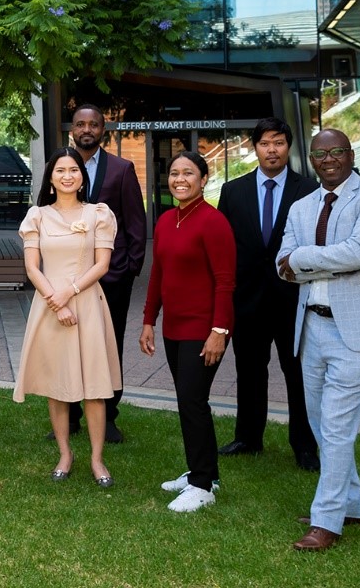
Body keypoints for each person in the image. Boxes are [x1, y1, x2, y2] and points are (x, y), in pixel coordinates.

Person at [278, 128, 360, 552]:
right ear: (311, 160)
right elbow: (281, 264)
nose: (328, 159)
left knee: (335, 425)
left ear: (351, 154)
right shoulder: (300, 206)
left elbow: (359, 254)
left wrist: (303, 260)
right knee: (319, 422)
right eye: (320, 154)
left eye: (336, 151)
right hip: (311, 326)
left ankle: (326, 519)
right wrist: (307, 262)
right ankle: (351, 504)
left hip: (358, 330)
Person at [11, 148, 121, 487]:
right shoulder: (37, 217)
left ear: (82, 176)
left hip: (86, 302)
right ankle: (65, 453)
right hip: (50, 306)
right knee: (55, 386)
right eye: (61, 170)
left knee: (94, 387)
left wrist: (69, 292)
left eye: (74, 169)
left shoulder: (99, 214)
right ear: (51, 177)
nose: (68, 175)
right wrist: (56, 302)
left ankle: (97, 459)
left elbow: (102, 265)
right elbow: (32, 267)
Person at [216, 117, 320, 471]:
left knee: (298, 374)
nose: (271, 149)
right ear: (254, 147)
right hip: (246, 300)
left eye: (278, 142)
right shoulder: (233, 191)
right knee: (249, 371)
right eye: (264, 143)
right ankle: (248, 437)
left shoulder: (308, 190)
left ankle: (304, 445)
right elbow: (224, 248)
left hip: (293, 298)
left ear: (288, 147)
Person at [139, 151, 236, 513]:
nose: (180, 179)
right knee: (187, 401)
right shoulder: (165, 220)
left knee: (193, 401)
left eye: (189, 173)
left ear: (204, 178)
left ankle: (203, 484)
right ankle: (202, 471)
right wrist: (149, 320)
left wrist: (220, 330)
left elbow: (226, 282)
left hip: (204, 328)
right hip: (173, 328)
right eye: (175, 173)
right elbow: (158, 276)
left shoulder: (214, 222)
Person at [66, 103, 146, 443]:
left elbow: (135, 224)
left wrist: (129, 269)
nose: (87, 129)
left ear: (103, 130)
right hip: (67, 280)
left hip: (111, 278)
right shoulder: (61, 166)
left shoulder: (122, 169)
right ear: (72, 130)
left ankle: (109, 415)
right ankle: (69, 415)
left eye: (94, 124)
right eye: (81, 124)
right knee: (67, 347)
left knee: (108, 347)